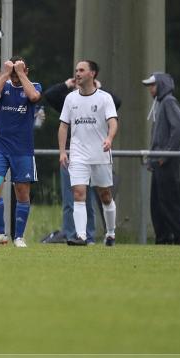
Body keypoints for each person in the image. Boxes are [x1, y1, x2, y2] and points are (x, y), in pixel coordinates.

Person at [44, 67, 122, 243]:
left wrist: (109, 138)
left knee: (105, 195)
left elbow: (113, 121)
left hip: (100, 154)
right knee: (78, 194)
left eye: (81, 70)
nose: (77, 73)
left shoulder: (104, 97)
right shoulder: (70, 98)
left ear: (92, 73)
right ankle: (81, 236)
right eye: (76, 70)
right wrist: (63, 151)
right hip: (78, 154)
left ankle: (110, 233)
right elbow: (63, 126)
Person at [0, 57, 42, 247]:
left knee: (22, 191)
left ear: (26, 71)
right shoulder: (4, 86)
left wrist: (20, 72)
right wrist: (6, 74)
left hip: (22, 149)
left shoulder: (34, 85)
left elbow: (34, 97)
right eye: (14, 73)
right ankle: (0, 233)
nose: (16, 77)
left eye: (20, 72)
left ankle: (19, 236)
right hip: (0, 146)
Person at [142, 72, 180, 245]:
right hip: (159, 161)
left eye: (153, 85)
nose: (150, 89)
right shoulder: (160, 104)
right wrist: (152, 159)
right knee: (157, 203)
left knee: (169, 201)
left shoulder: (169, 101)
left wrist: (165, 154)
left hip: (168, 161)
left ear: (161, 85)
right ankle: (163, 238)